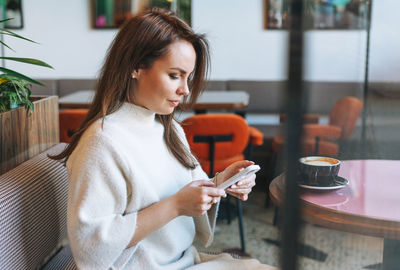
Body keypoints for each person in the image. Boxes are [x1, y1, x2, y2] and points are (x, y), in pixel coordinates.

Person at [50, 8, 277, 270]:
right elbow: (88, 246)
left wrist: (221, 182)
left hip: (182, 260)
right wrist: (175, 206)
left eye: (188, 77)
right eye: (174, 75)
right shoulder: (102, 142)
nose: (186, 89)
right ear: (135, 67)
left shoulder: (169, 129)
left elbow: (186, 192)